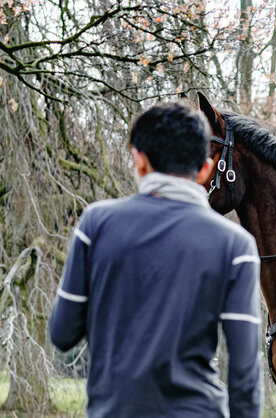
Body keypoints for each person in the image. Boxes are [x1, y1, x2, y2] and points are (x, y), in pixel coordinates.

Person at [48, 102, 264, 418]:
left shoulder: (96, 224)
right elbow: (245, 369)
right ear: (205, 169)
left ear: (139, 160)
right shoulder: (236, 245)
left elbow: (62, 334)